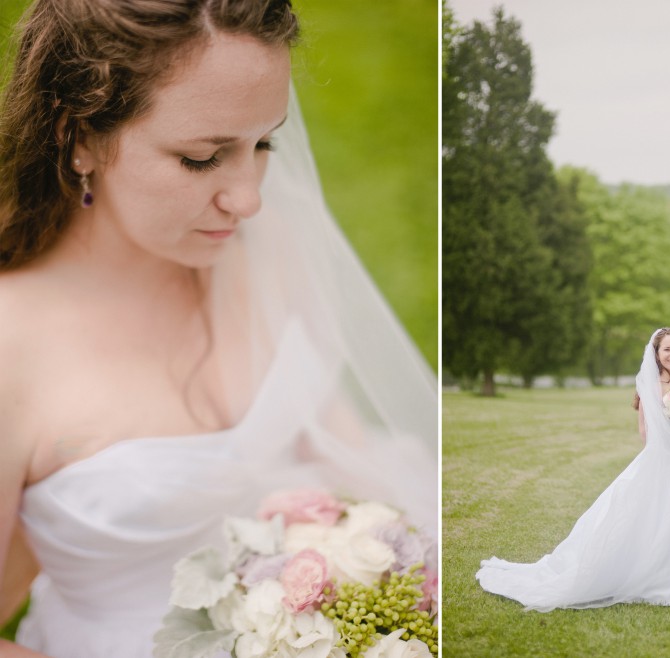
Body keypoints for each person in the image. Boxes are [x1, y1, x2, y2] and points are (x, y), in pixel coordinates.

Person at [0, 1, 438, 656]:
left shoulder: (269, 248)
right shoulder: (13, 345)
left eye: (265, 144)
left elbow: (339, 446)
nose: (250, 198)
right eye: (202, 159)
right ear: (79, 137)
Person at [476, 327, 670, 610]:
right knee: (660, 517)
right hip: (665, 459)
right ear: (656, 353)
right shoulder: (651, 386)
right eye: (667, 349)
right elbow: (646, 434)